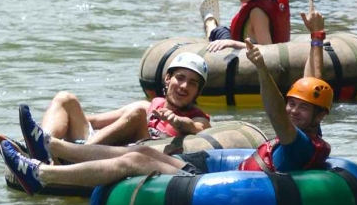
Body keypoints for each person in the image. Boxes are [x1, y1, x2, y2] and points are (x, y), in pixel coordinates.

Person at [0, 5, 335, 192]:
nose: (292, 110)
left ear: (319, 117)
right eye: (291, 103)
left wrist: (262, 70)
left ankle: (42, 174)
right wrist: (316, 38)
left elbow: (274, 110)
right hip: (213, 169)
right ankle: (51, 146)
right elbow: (310, 87)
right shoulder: (306, 129)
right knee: (140, 148)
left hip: (224, 187)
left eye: (302, 109)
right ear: (167, 80)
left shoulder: (299, 143)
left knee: (136, 160)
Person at [16, 52, 211, 154]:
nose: (184, 86)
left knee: (136, 116)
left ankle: (69, 154)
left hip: (132, 155)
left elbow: (196, 128)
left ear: (198, 92)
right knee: (66, 99)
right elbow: (96, 121)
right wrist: (63, 120)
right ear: (168, 79)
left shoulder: (197, 117)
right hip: (101, 144)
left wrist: (177, 121)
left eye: (192, 83)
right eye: (180, 78)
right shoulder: (148, 106)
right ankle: (41, 144)